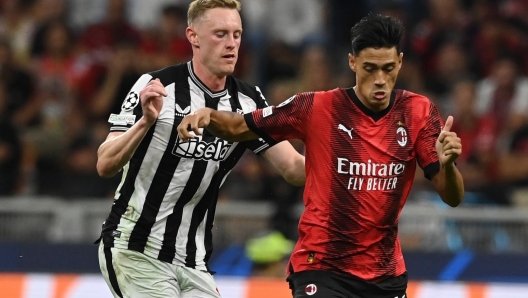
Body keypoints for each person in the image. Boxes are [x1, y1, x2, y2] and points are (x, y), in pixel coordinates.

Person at [178, 14, 465, 298]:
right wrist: (208, 115)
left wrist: (448, 165)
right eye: (369, 68)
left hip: (385, 274)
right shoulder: (316, 107)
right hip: (322, 267)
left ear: (400, 62)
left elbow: (452, 197)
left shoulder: (418, 112)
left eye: (388, 68)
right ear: (352, 62)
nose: (380, 80)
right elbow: (240, 126)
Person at [95, 0, 305, 297]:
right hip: (136, 248)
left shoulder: (248, 101)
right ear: (193, 36)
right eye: (220, 34)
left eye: (237, 34)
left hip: (194, 261)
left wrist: (348, 155)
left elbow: (294, 169)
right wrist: (145, 122)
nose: (231, 44)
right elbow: (105, 163)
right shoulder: (156, 85)